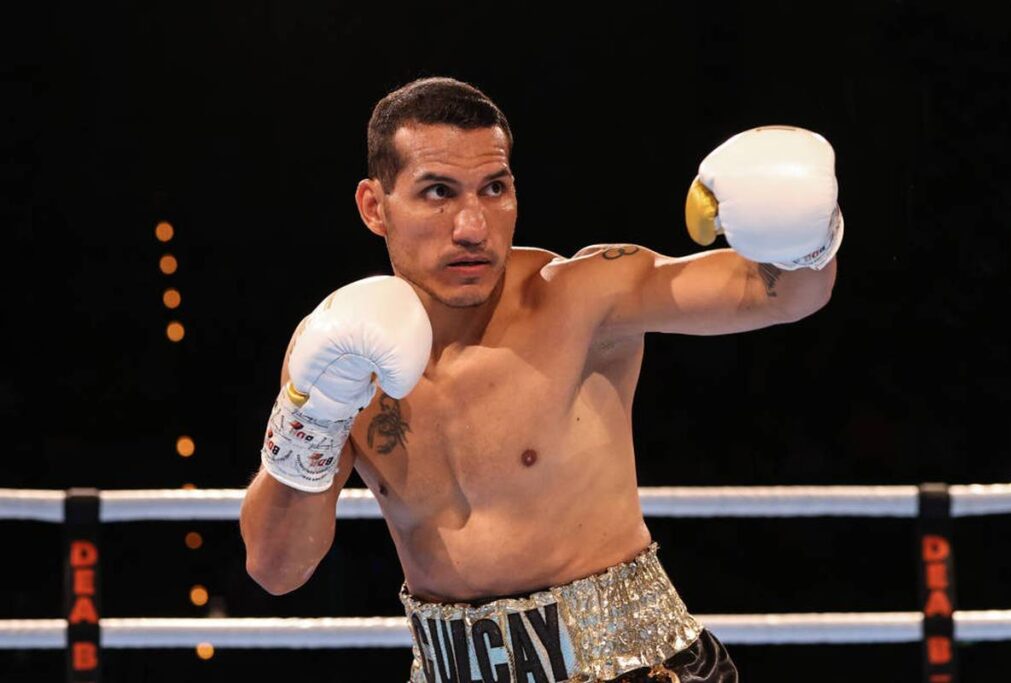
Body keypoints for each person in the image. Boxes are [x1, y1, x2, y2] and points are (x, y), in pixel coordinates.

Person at [239, 76, 842, 682]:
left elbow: (784, 294)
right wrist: (313, 417)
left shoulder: (582, 297)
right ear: (375, 206)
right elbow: (276, 568)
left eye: (494, 189)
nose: (472, 226)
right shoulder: (337, 352)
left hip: (637, 669)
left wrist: (806, 232)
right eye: (438, 192)